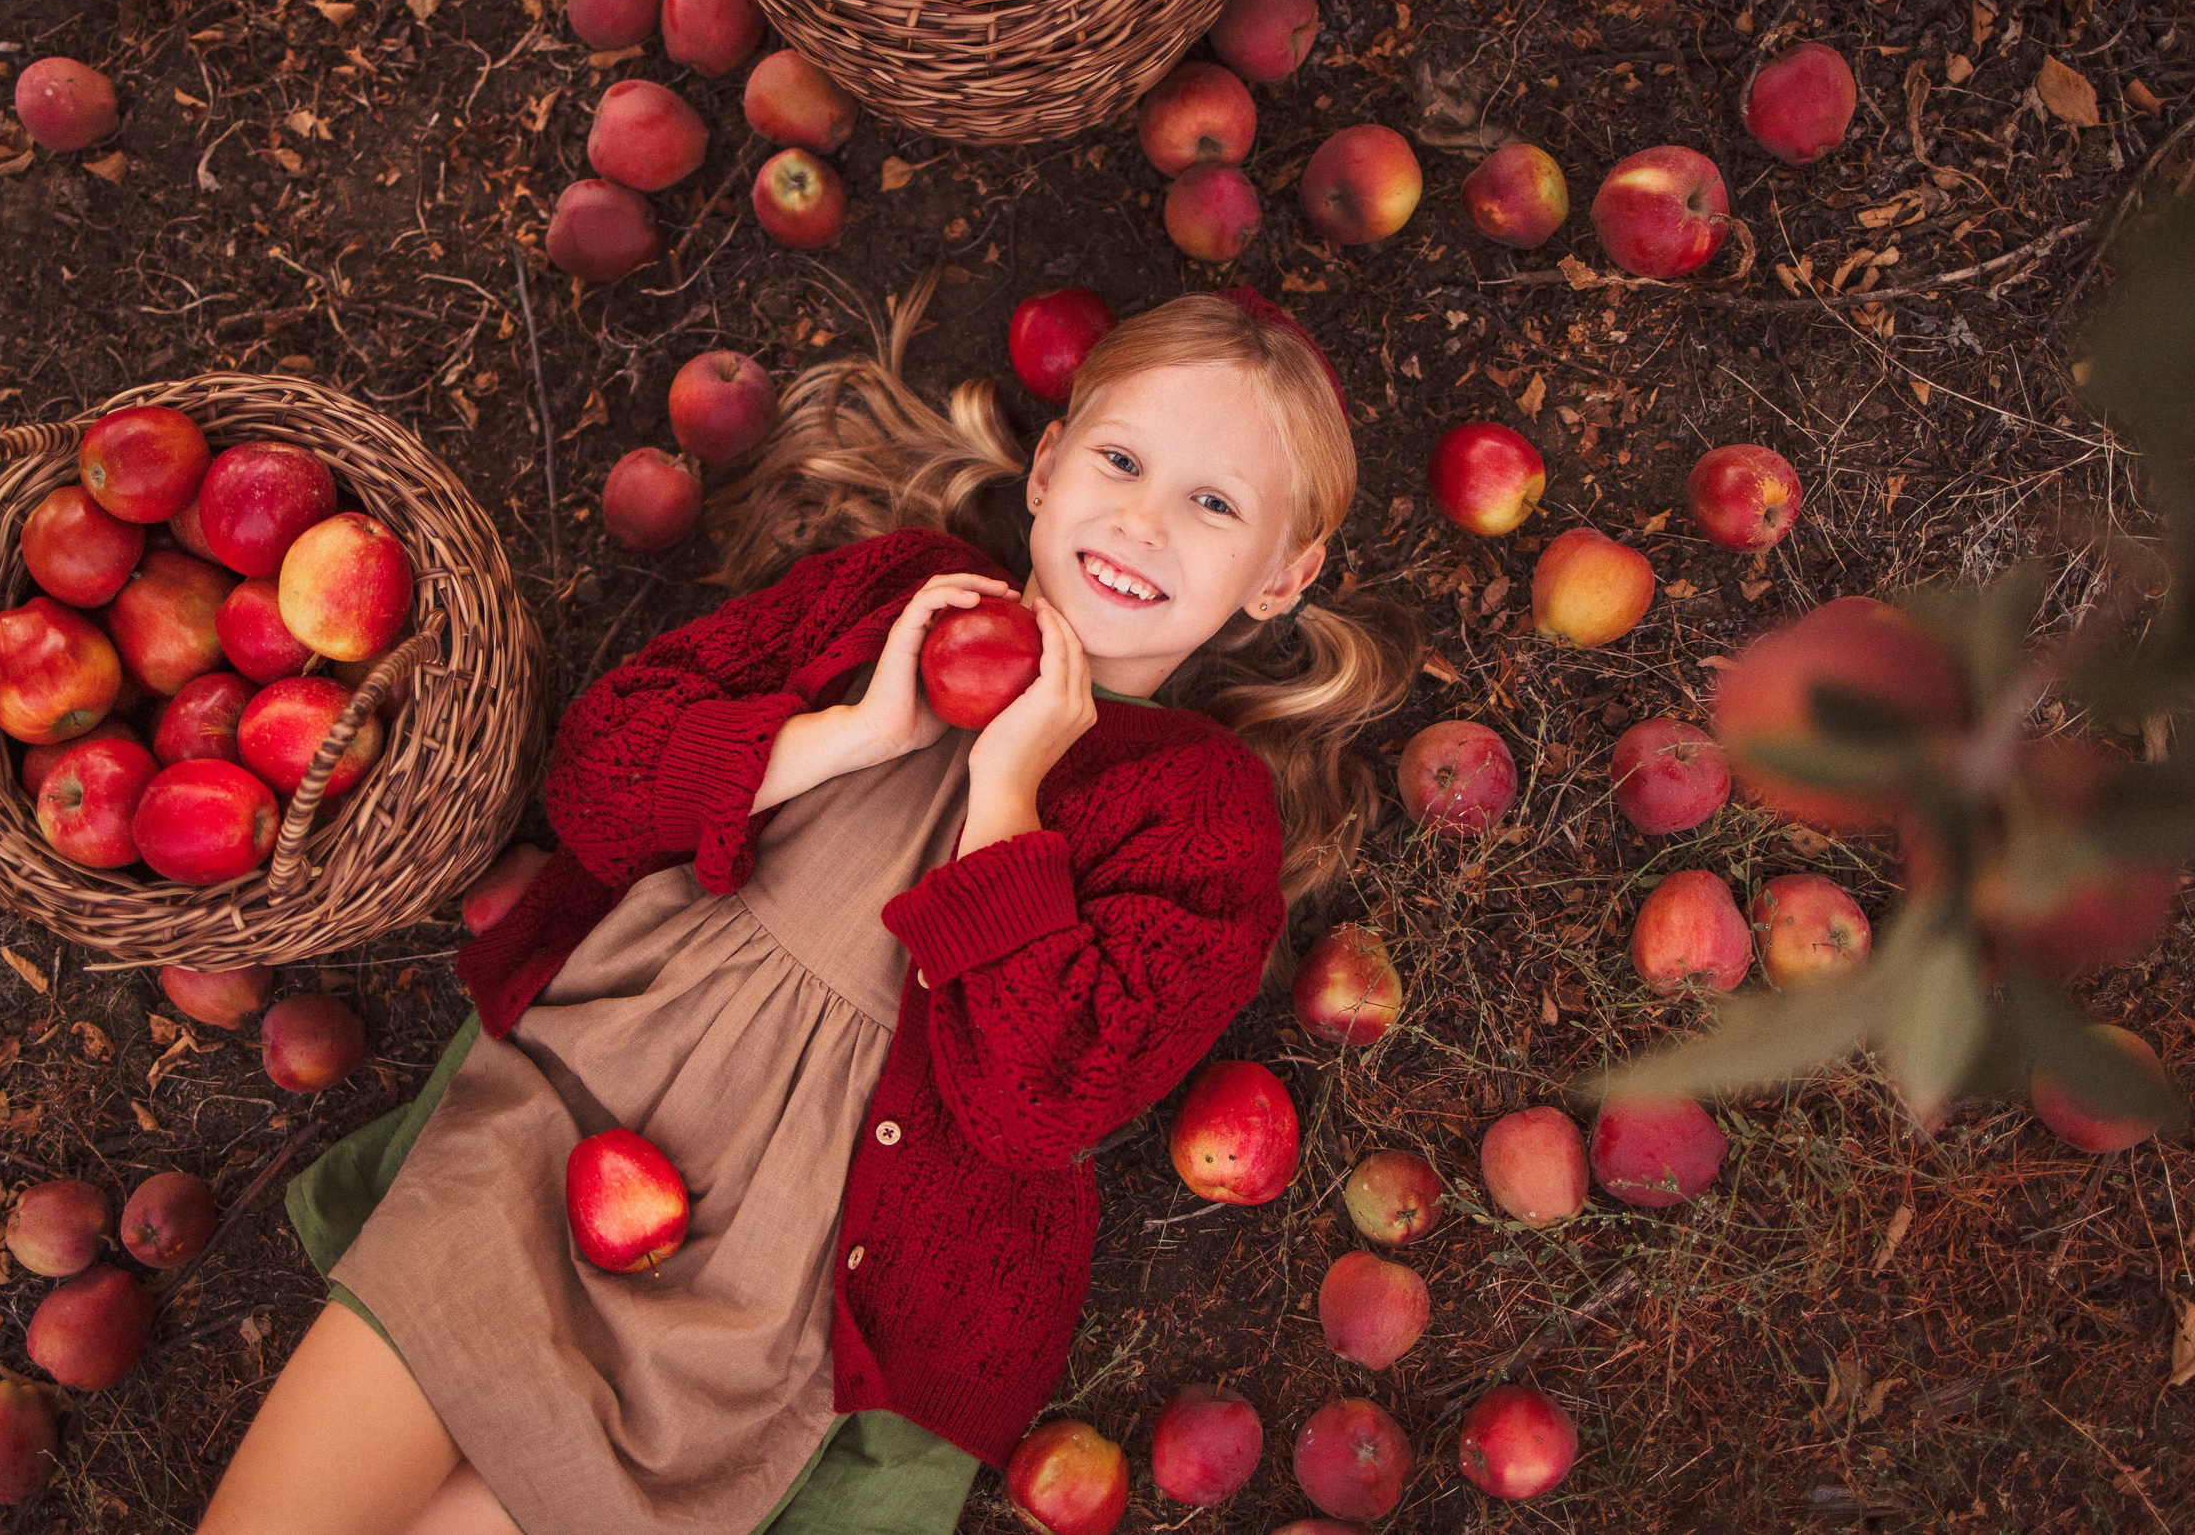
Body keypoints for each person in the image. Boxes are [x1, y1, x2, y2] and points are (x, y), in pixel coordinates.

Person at [194, 276, 1419, 1535]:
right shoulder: (897, 595)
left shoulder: (1199, 808)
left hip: (774, 1291)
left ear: (1280, 577)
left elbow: (1039, 1098)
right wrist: (840, 735)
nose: (1144, 520)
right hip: (565, 1125)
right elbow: (601, 779)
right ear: (1047, 469)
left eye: (1212, 504)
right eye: (1120, 459)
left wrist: (1006, 793)